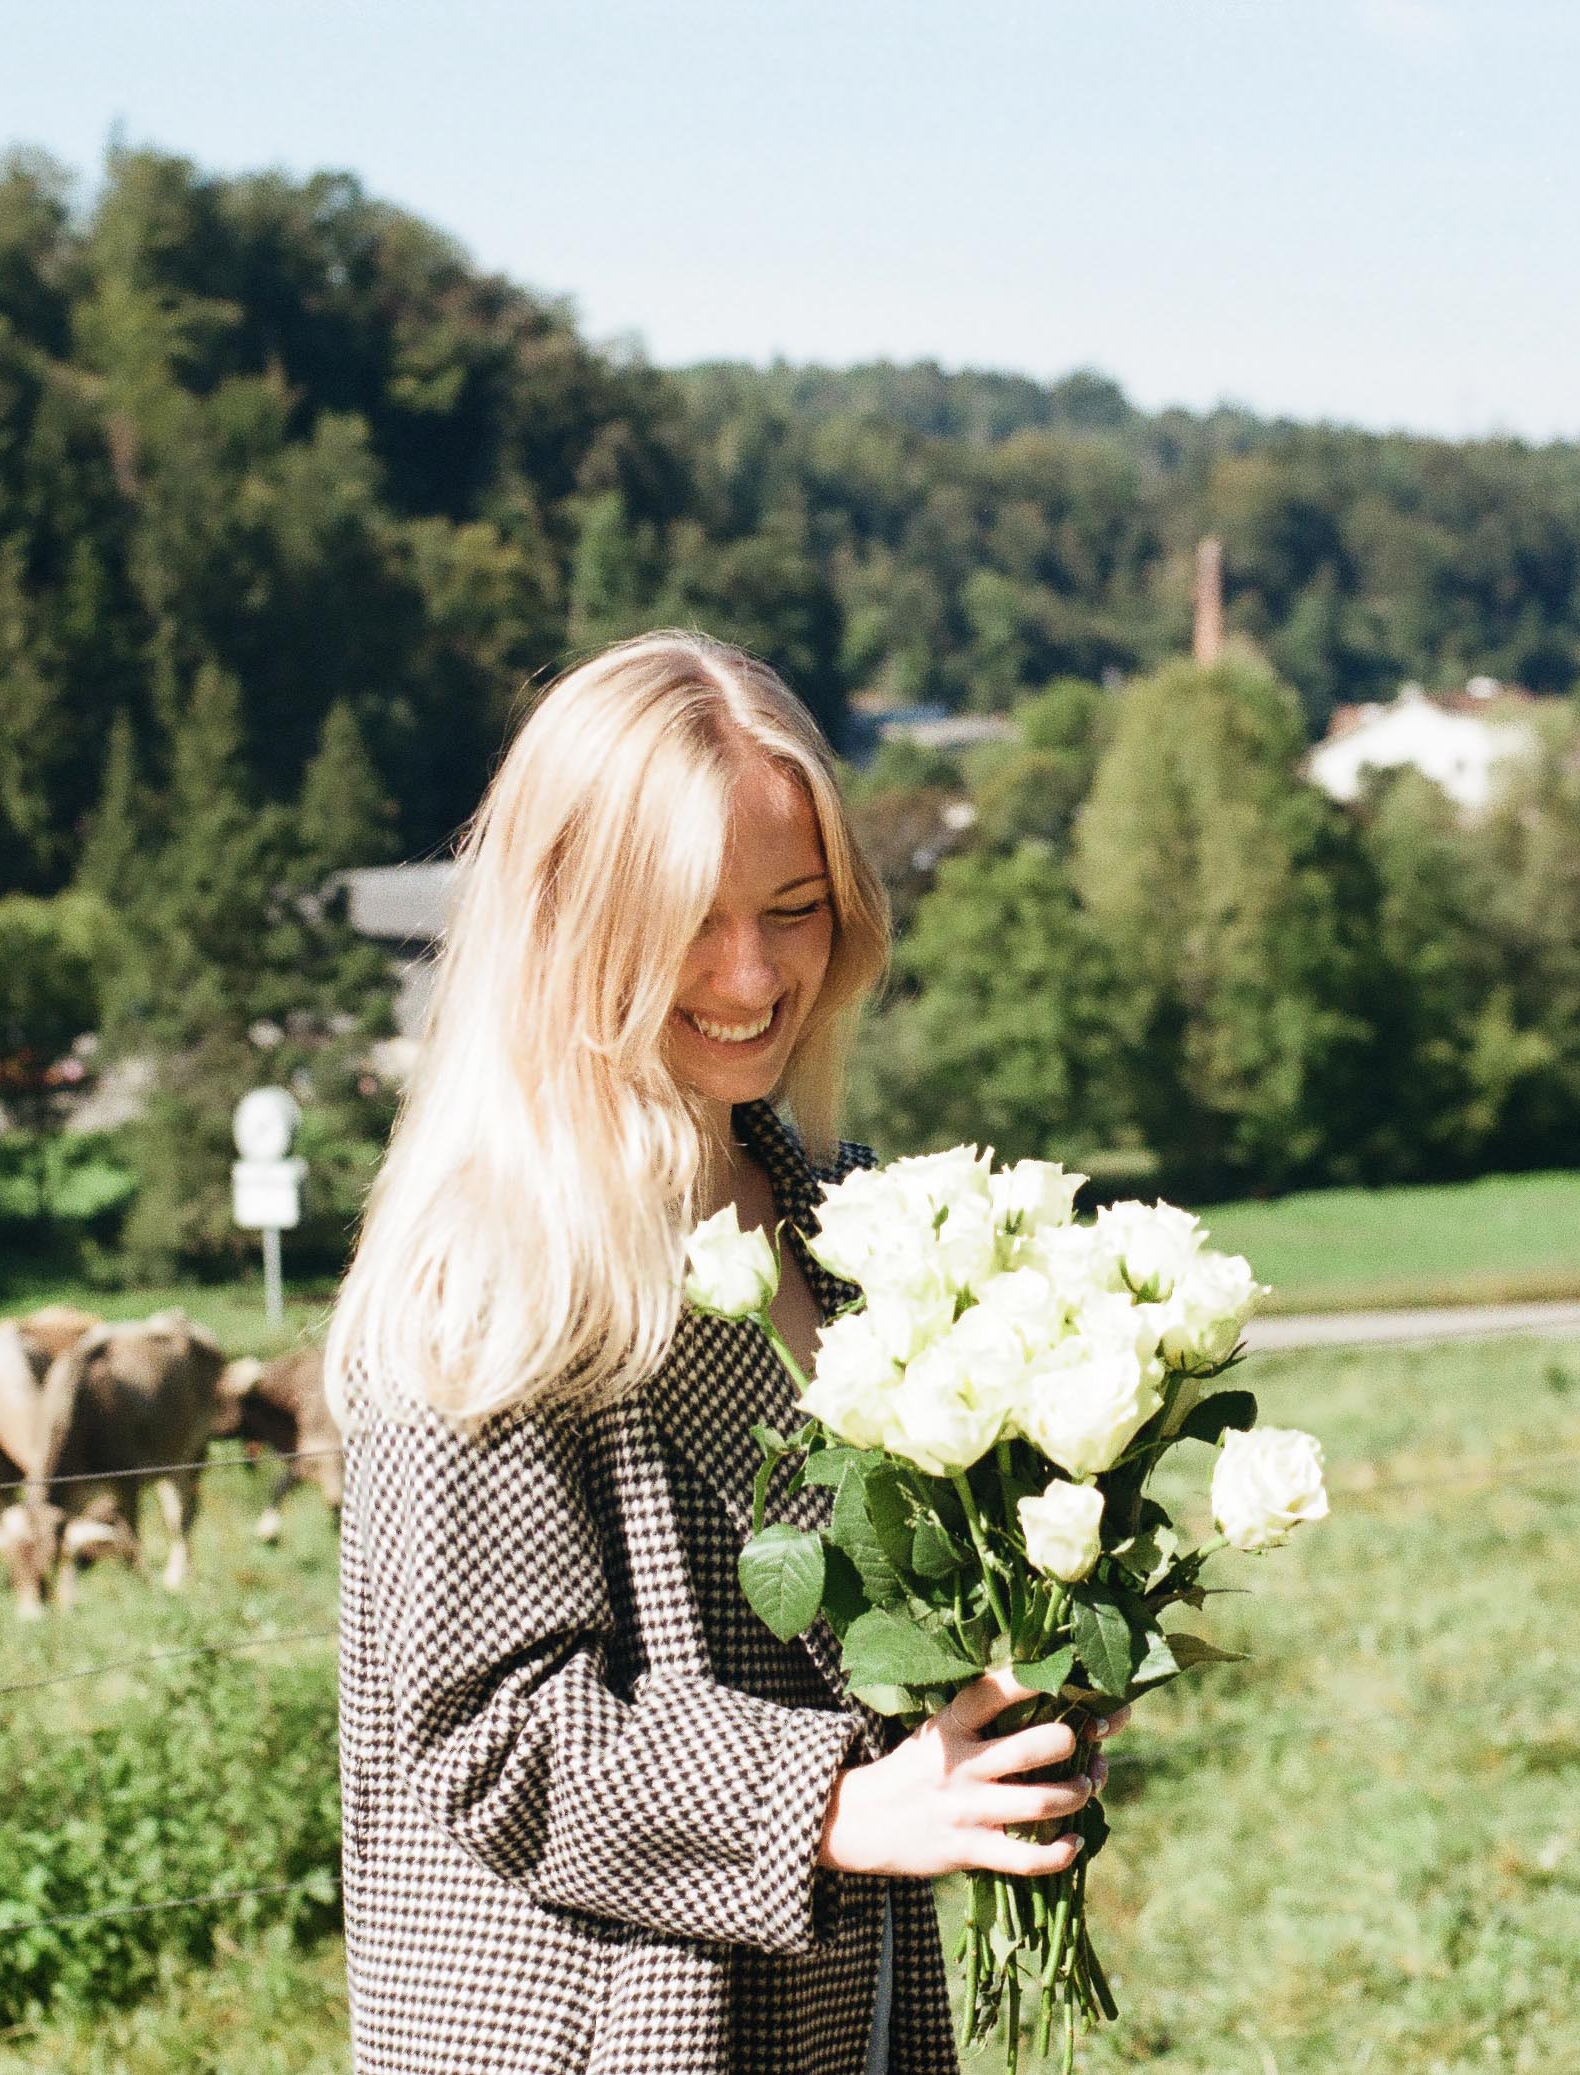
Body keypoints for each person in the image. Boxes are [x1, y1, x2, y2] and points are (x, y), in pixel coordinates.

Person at [325, 629, 1127, 2075]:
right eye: (689, 916)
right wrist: (839, 1805)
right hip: (598, 2035)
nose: (752, 974)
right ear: (564, 916)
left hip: (841, 2007)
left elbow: (877, 1632)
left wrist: (1019, 1687)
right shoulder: (492, 1265)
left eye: (796, 908)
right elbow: (495, 1737)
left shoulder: (856, 1222)